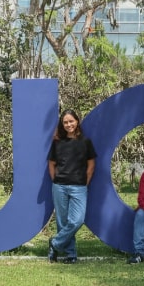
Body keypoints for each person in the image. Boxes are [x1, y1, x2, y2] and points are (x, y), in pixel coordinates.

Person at [47, 109, 97, 264]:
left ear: (77, 121)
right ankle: (70, 254)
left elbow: (91, 164)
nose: (69, 124)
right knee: (62, 222)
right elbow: (52, 164)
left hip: (79, 187)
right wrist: (56, 180)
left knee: (77, 220)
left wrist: (85, 182)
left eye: (71, 121)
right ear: (62, 125)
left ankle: (54, 243)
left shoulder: (85, 142)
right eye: (65, 122)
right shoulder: (57, 143)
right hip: (59, 186)